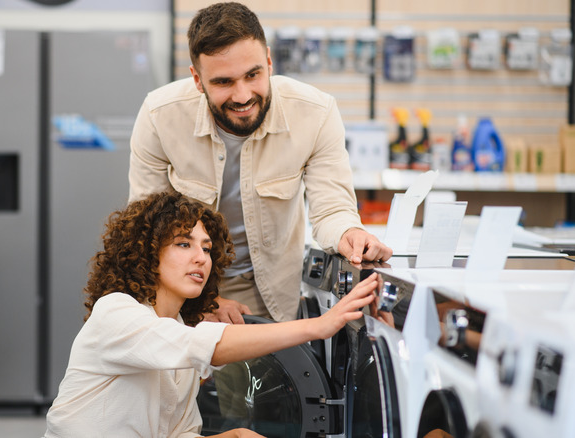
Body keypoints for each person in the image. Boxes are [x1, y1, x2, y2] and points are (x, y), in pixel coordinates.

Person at [128, 2, 392, 324]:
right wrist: (205, 301)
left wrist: (351, 233)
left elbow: (331, 208)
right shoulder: (160, 116)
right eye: (223, 82)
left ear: (269, 61)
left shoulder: (315, 114)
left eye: (253, 75)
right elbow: (146, 229)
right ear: (197, 80)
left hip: (271, 293)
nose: (242, 96)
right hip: (182, 293)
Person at [44, 191, 379, 437]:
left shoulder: (176, 326)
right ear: (146, 253)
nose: (201, 257)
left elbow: (175, 433)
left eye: (206, 248)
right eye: (183, 244)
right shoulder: (116, 312)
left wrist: (232, 437)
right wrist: (319, 326)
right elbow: (204, 345)